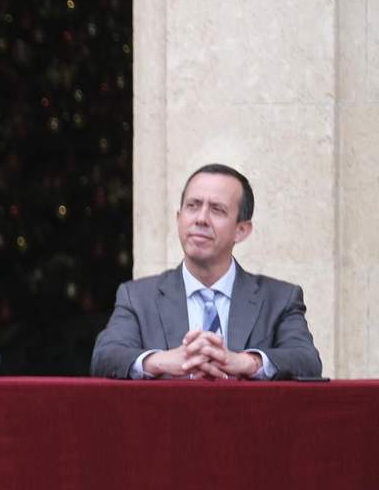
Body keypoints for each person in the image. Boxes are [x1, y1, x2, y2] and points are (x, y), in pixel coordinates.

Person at [90, 163, 321, 380]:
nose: (201, 218)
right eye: (193, 206)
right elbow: (104, 358)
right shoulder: (138, 297)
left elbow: (307, 361)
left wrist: (246, 362)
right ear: (179, 219)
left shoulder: (280, 298)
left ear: (241, 230)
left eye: (217, 210)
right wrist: (160, 361)